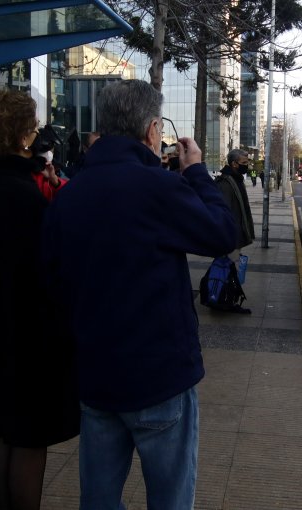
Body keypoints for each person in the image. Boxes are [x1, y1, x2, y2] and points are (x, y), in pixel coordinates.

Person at [41, 79, 236, 509]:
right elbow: (223, 233)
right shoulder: (158, 189)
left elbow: (53, 283)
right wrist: (198, 172)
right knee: (169, 497)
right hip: (159, 375)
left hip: (96, 376)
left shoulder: (69, 197)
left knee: (98, 498)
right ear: (151, 131)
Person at [0, 88, 79, 510]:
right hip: (32, 334)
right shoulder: (23, 194)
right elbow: (47, 268)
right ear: (23, 135)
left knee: (9, 431)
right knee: (31, 438)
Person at [214, 149, 256, 287]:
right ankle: (224, 295)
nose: (247, 165)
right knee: (230, 266)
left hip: (235, 234)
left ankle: (227, 294)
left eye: (248, 162)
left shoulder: (236, 180)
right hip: (230, 236)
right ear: (234, 164)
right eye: (244, 162)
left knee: (232, 266)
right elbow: (224, 213)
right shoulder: (225, 183)